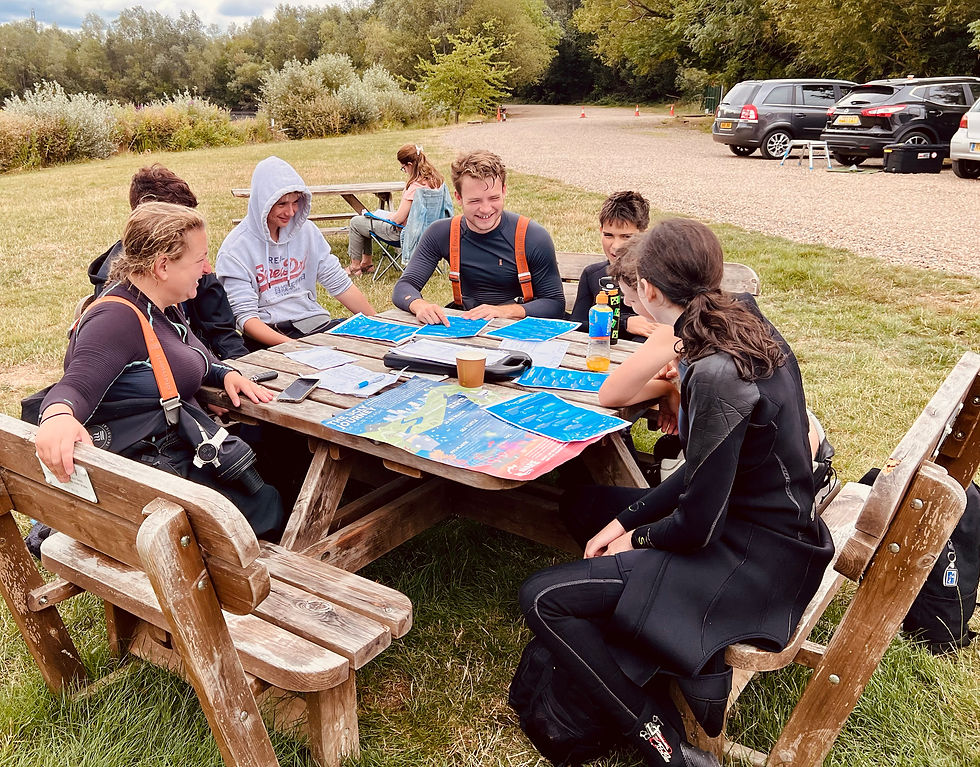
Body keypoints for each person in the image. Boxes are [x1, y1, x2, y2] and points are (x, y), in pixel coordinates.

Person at [518, 219, 834, 767]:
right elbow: (709, 470)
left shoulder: (714, 370)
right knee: (587, 507)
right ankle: (666, 644)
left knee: (542, 599)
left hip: (751, 559)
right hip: (773, 531)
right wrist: (622, 524)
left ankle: (660, 740)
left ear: (651, 292)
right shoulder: (744, 324)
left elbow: (696, 526)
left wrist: (636, 537)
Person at [35, 202, 285, 539]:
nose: (208, 268)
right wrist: (57, 417)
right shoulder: (117, 319)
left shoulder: (161, 302)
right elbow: (76, 386)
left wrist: (225, 373)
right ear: (163, 265)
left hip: (172, 462)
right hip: (153, 481)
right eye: (200, 260)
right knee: (275, 492)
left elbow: (191, 353)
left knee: (273, 460)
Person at [88, 164, 249, 360]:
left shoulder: (192, 263)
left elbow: (223, 334)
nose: (207, 268)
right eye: (180, 227)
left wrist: (239, 369)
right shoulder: (117, 292)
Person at [216, 156, 376, 349]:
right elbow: (246, 319)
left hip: (312, 322)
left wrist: (377, 323)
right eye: (282, 204)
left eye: (295, 202)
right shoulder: (235, 250)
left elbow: (339, 283)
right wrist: (296, 347)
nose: (291, 212)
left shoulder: (306, 231)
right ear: (263, 202)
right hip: (270, 334)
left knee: (367, 347)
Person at [392, 149, 565, 324]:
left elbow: (554, 304)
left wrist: (502, 311)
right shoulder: (442, 233)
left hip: (517, 330)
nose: (485, 209)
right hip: (468, 327)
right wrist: (419, 305)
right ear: (458, 198)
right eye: (475, 201)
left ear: (504, 191)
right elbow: (404, 287)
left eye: (493, 198)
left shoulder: (532, 236)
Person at [569, 191, 658, 341]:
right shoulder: (592, 274)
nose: (616, 246)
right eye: (608, 235)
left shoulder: (657, 274)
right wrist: (624, 323)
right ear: (600, 231)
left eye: (627, 237)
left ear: (644, 234)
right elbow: (576, 325)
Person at [345, 143, 445, 276]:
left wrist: (387, 217)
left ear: (409, 164)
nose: (404, 171)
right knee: (367, 219)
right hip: (430, 233)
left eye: (403, 168)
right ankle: (366, 263)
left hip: (407, 234)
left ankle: (355, 266)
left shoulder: (415, 188)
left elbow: (398, 220)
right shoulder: (437, 181)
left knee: (357, 222)